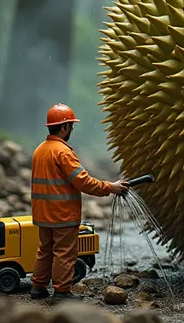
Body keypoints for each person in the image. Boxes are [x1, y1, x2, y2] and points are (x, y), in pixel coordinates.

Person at [30, 103, 129, 301]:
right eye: (71, 126)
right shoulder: (63, 152)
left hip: (42, 213)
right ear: (65, 127)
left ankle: (38, 287)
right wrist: (110, 187)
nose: (72, 130)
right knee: (64, 253)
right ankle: (62, 292)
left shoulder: (40, 150)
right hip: (62, 214)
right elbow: (83, 181)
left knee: (45, 250)